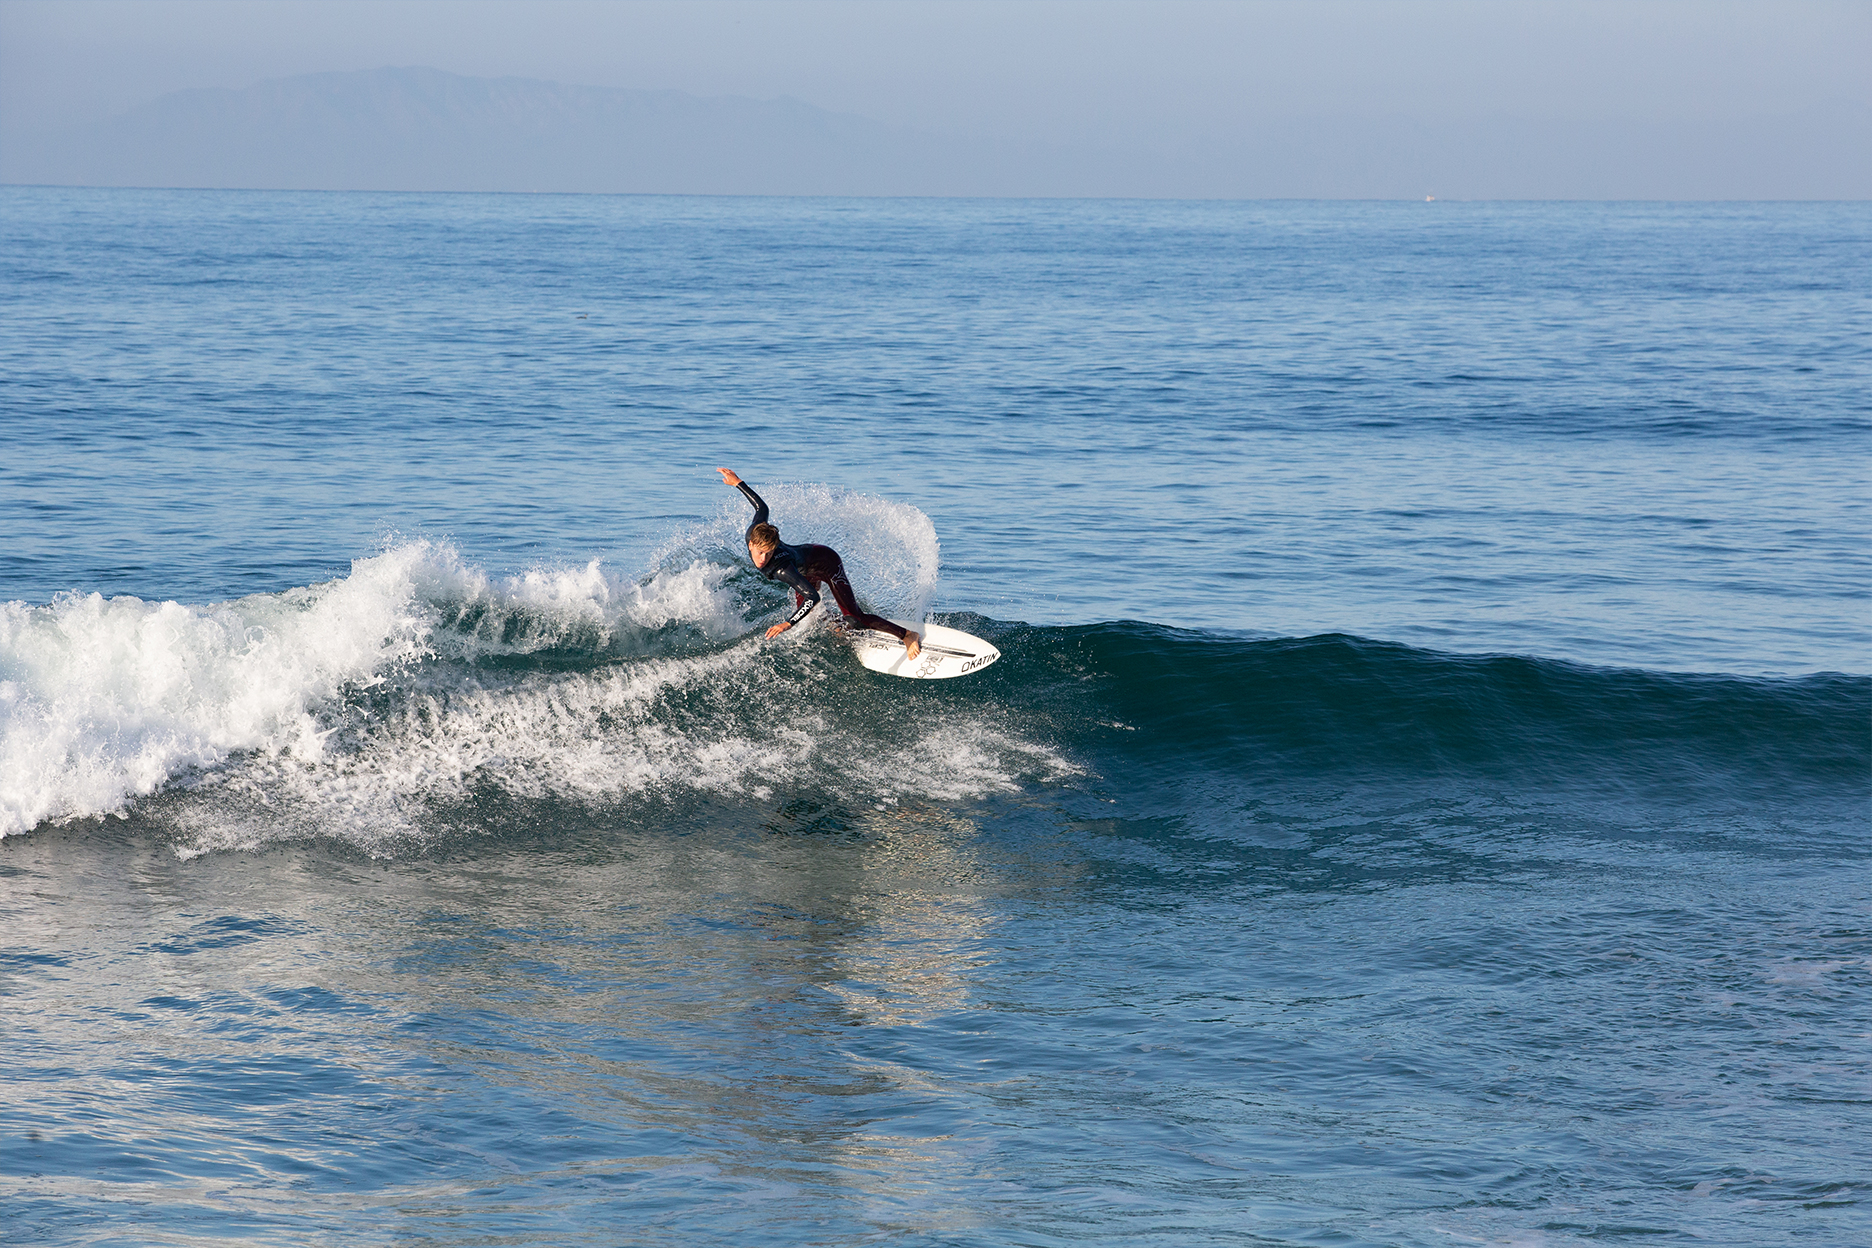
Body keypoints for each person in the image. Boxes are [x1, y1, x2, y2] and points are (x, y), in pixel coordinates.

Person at [717, 468, 921, 660]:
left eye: (768, 554)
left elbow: (812, 596)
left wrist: (788, 623)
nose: (762, 559)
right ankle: (838, 628)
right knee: (808, 615)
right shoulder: (754, 532)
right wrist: (738, 483)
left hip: (826, 562)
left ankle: (906, 635)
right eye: (760, 552)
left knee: (855, 619)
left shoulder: (782, 568)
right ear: (751, 543)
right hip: (805, 569)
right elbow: (762, 508)